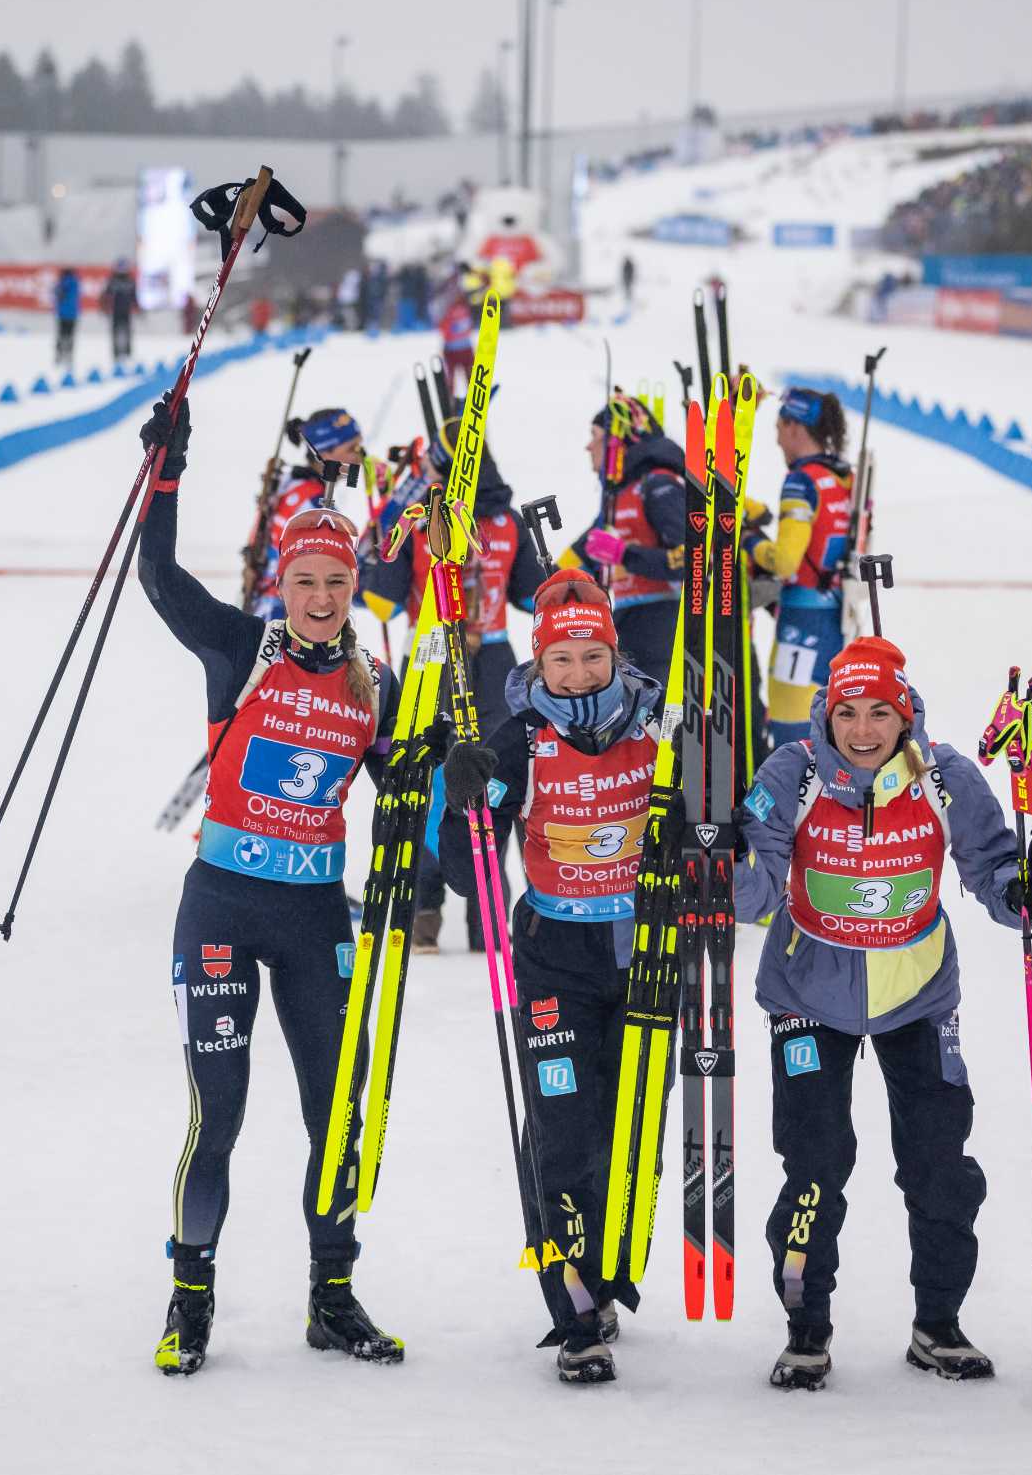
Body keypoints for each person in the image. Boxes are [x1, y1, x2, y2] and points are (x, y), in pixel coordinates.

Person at [134, 392, 409, 1378]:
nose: (322, 596)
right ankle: (189, 1300)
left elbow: (408, 788)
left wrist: (459, 768)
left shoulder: (371, 682)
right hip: (220, 904)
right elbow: (158, 577)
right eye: (305, 579)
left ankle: (330, 1299)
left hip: (311, 918)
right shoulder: (239, 648)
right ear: (281, 580)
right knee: (219, 1113)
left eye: (336, 581)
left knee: (337, 1111)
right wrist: (165, 471)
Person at [732, 635, 1027, 1391]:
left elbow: (992, 866)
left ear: (906, 714)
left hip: (917, 993)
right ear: (824, 716)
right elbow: (758, 894)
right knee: (814, 1166)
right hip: (806, 994)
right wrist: (716, 861)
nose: (862, 731)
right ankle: (805, 1330)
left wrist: (1025, 896)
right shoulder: (790, 775)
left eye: (880, 714)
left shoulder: (945, 776)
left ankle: (938, 1325)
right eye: (847, 714)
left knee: (938, 1168)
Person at [435, 570, 666, 1383]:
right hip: (553, 957)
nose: (576, 673)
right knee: (562, 1131)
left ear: (613, 651)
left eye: (591, 655)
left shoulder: (657, 722)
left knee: (629, 1133)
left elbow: (717, 808)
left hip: (644, 959)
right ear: (539, 660)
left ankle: (606, 1278)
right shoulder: (516, 736)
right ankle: (572, 1312)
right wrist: (458, 795)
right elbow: (465, 868)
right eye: (560, 659)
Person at [360, 420, 548, 953]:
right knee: (491, 783)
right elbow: (532, 593)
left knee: (430, 778)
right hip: (489, 662)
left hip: (436, 658)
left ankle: (428, 913)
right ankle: (485, 918)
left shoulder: (423, 521)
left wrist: (389, 519)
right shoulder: (505, 519)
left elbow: (381, 599)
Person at [565, 398, 691, 693]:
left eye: (595, 437)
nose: (588, 447)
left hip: (661, 623)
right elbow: (571, 562)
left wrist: (625, 554)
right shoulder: (617, 496)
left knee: (654, 716)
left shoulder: (659, 485)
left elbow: (691, 561)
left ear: (616, 442)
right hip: (626, 622)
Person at [751, 387, 855, 746]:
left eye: (779, 428)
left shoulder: (801, 480)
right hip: (838, 618)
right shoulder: (846, 477)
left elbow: (784, 561)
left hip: (801, 622)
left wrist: (750, 541)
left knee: (790, 733)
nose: (778, 440)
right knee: (824, 730)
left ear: (795, 427)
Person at [250, 407, 368, 620]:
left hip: (268, 609)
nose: (360, 456)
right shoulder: (314, 506)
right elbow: (350, 574)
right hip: (286, 618)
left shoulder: (293, 483)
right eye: (352, 448)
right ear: (324, 453)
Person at [105, 258, 137, 361]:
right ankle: (116, 352)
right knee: (116, 332)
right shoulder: (113, 281)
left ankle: (127, 352)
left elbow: (134, 296)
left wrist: (137, 306)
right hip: (117, 311)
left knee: (127, 332)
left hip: (125, 311)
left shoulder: (129, 281)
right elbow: (107, 294)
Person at [54, 267, 81, 370]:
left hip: (62, 314)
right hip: (73, 315)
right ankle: (69, 356)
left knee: (61, 335)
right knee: (70, 336)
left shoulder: (60, 284)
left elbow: (56, 295)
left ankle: (59, 355)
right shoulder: (76, 283)